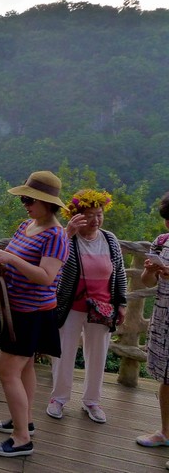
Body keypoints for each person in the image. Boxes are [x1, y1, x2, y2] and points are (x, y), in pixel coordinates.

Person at [0, 171, 68, 458]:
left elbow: (47, 277)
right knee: (25, 368)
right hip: (15, 309)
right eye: (23, 199)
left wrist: (12, 258)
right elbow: (17, 261)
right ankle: (24, 420)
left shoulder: (56, 235)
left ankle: (21, 438)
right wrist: (3, 260)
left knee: (7, 371)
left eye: (29, 200)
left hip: (31, 313)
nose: (25, 204)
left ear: (48, 203)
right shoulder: (26, 226)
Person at [48, 189, 126, 422]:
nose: (95, 220)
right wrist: (67, 233)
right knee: (63, 352)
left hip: (102, 307)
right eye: (89, 215)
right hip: (71, 306)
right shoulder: (68, 238)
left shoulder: (109, 240)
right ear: (76, 216)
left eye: (99, 214)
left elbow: (119, 272)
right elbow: (54, 259)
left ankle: (92, 401)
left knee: (98, 354)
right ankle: (58, 398)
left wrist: (121, 303)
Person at [136, 192, 169, 462]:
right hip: (163, 318)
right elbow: (147, 283)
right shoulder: (161, 241)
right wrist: (150, 270)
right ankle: (165, 432)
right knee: (166, 379)